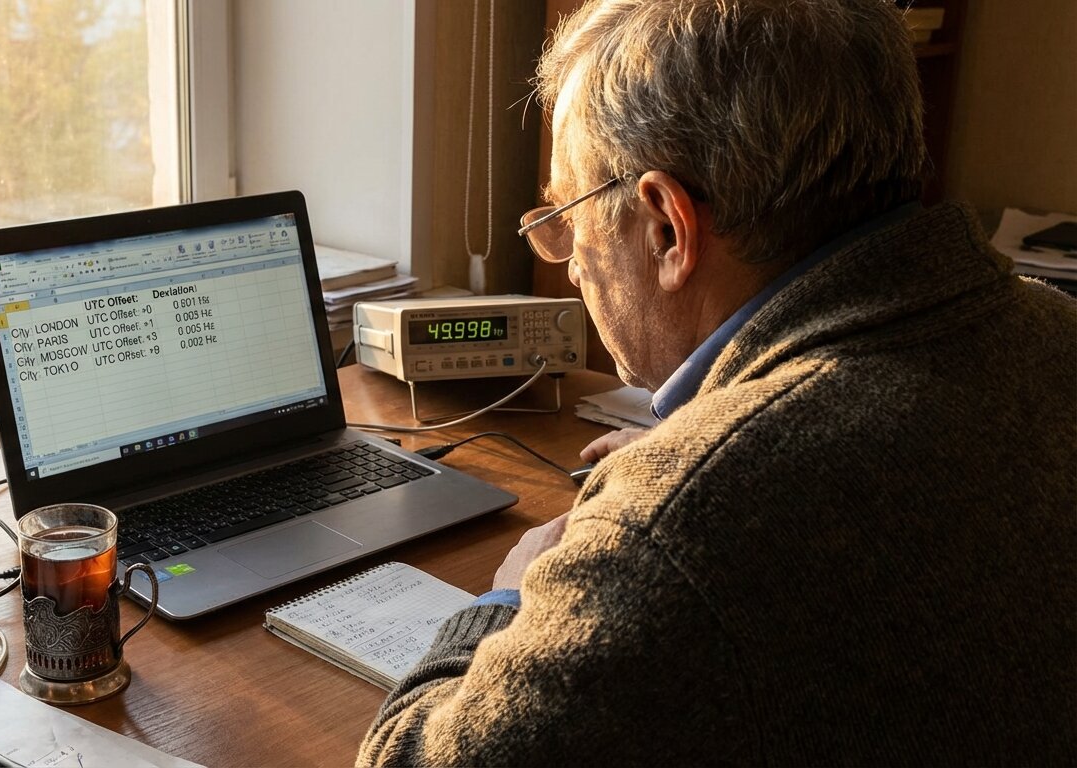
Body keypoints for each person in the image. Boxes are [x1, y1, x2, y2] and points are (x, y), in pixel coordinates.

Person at [357, 0, 1077, 764]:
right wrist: (721, 435)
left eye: (568, 213)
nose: (570, 264)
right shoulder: (1055, 328)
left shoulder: (676, 526)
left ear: (668, 228)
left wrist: (508, 597)